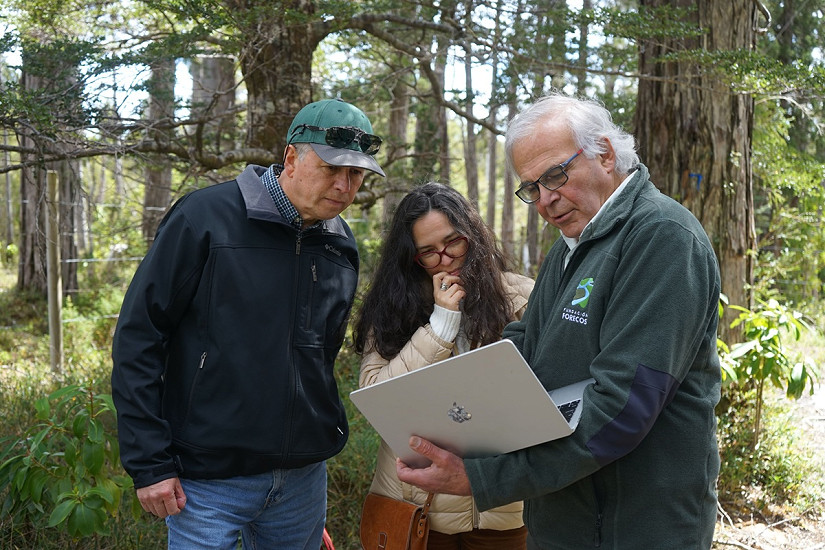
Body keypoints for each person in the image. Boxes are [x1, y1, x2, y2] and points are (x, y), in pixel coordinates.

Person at [395, 93, 722, 550]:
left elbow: (623, 407)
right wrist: (451, 417)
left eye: (555, 175)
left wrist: (484, 475)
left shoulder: (663, 237)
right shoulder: (571, 246)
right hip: (561, 519)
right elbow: (522, 351)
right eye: (532, 187)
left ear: (605, 154)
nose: (545, 200)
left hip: (634, 526)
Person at [111, 98, 385, 549]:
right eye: (331, 168)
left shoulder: (341, 246)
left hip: (301, 483)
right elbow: (140, 337)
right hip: (206, 482)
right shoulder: (204, 218)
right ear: (292, 158)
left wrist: (303, 495)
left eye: (356, 174)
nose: (344, 185)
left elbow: (317, 358)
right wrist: (150, 463)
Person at [353, 182, 535, 549]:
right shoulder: (392, 309)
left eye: (454, 242)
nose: (446, 257)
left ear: (474, 236)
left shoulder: (522, 296)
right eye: (428, 253)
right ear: (411, 259)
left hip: (502, 505)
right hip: (418, 506)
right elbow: (375, 395)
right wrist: (440, 326)